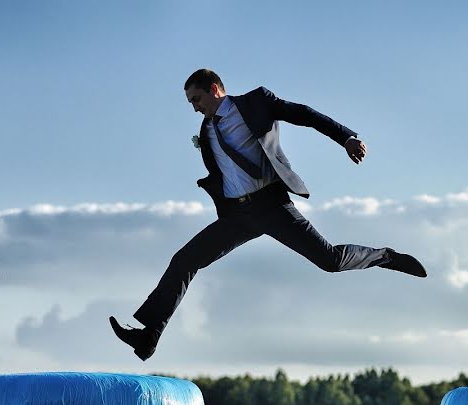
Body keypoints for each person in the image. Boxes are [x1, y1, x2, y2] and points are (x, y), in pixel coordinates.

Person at [110, 69, 427, 360]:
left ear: (216, 89)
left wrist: (346, 137)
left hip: (270, 205)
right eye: (190, 102)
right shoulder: (207, 130)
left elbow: (303, 115)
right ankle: (148, 337)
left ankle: (384, 256)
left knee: (329, 260)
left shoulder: (257, 102)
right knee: (184, 260)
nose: (194, 107)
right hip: (238, 214)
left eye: (197, 98)